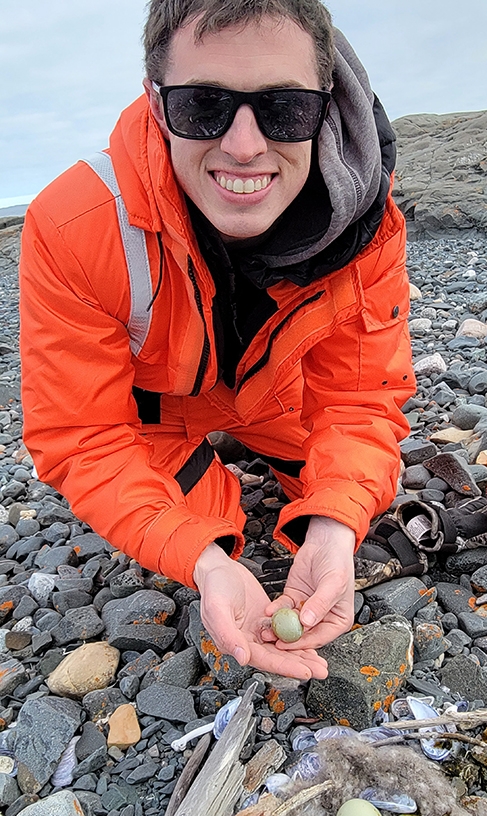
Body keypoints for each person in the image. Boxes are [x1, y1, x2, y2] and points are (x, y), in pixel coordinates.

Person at [19, 0, 416, 682]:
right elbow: (83, 434)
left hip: (277, 405)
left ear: (324, 106)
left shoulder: (365, 224)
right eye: (204, 105)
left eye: (285, 109)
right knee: (200, 529)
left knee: (345, 495)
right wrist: (205, 562)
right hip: (160, 420)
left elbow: (358, 399)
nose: (243, 145)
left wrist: (335, 528)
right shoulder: (73, 225)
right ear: (154, 100)